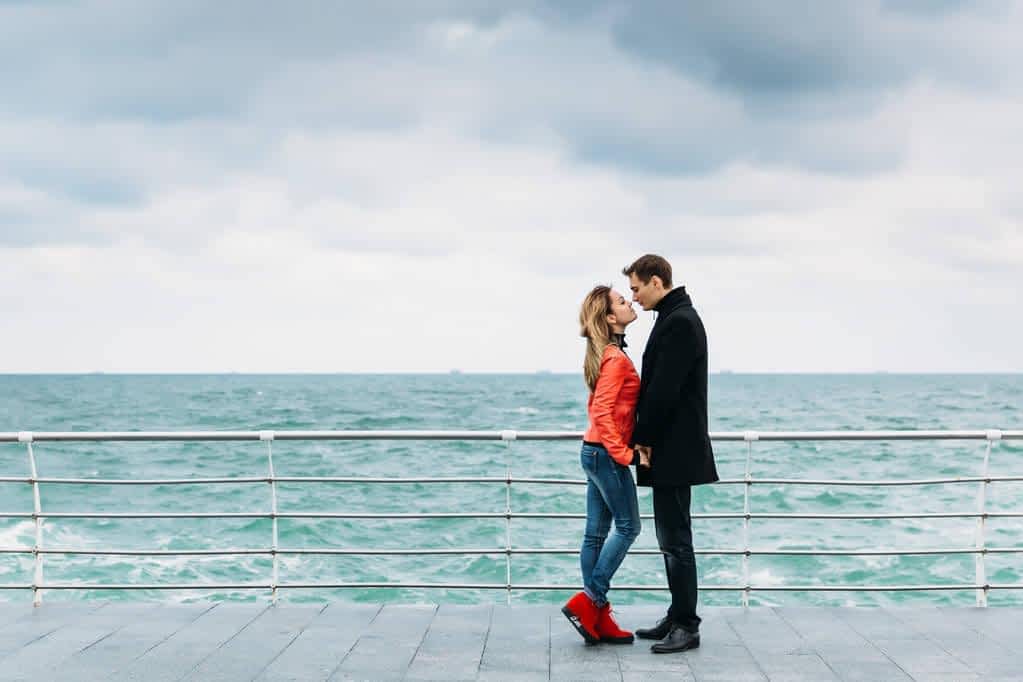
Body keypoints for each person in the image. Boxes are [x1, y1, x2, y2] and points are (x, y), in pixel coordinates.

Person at [624, 254, 719, 654]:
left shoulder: (679, 321)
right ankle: (677, 614)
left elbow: (664, 389)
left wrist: (642, 438)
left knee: (677, 539)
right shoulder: (674, 315)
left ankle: (687, 624)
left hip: (674, 448)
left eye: (636, 288)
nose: (634, 296)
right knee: (671, 537)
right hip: (673, 446)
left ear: (657, 281)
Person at [561, 285, 646, 644]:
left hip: (592, 451)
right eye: (622, 301)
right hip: (606, 455)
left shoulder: (607, 355)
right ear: (611, 318)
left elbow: (598, 410)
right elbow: (601, 411)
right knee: (628, 528)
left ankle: (595, 616)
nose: (629, 302)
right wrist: (625, 454)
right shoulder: (614, 359)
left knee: (595, 534)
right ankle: (590, 600)